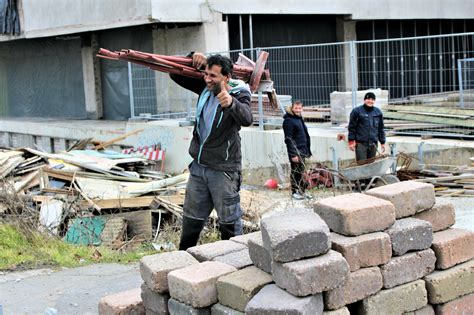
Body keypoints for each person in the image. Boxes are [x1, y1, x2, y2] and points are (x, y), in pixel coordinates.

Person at [170, 52, 252, 250]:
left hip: (223, 170)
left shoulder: (239, 93)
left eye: (213, 76)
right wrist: (191, 57)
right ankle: (184, 259)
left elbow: (247, 118)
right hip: (199, 167)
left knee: (229, 222)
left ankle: (234, 262)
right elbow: (174, 73)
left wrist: (231, 104)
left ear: (226, 77)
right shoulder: (204, 88)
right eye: (206, 74)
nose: (207, 78)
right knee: (191, 219)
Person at [283, 100, 312, 200]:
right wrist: (293, 154)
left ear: (302, 108)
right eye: (296, 108)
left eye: (300, 108)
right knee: (295, 172)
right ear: (292, 108)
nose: (298, 110)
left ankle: (302, 192)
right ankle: (294, 192)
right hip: (296, 152)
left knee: (301, 172)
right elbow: (288, 139)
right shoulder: (289, 120)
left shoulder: (299, 119)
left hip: (303, 151)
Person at [348, 92, 386, 162]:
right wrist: (351, 141)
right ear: (364, 100)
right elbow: (352, 127)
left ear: (374, 101)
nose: (370, 101)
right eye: (368, 99)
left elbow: (381, 128)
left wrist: (382, 142)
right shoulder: (357, 111)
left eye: (372, 99)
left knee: (371, 165)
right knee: (361, 165)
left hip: (373, 144)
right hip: (361, 144)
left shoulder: (378, 112)